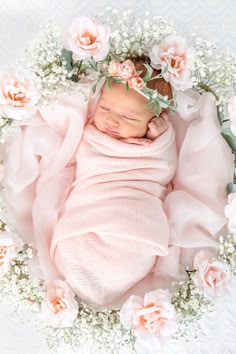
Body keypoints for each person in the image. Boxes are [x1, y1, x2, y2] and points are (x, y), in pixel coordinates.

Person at [50, 61, 178, 309]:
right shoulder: (93, 136)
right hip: (89, 208)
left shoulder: (152, 148)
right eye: (105, 107)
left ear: (153, 121)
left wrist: (160, 139)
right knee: (75, 248)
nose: (112, 120)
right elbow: (87, 162)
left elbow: (163, 168)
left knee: (129, 256)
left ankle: (111, 275)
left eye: (129, 117)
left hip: (134, 216)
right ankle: (80, 274)